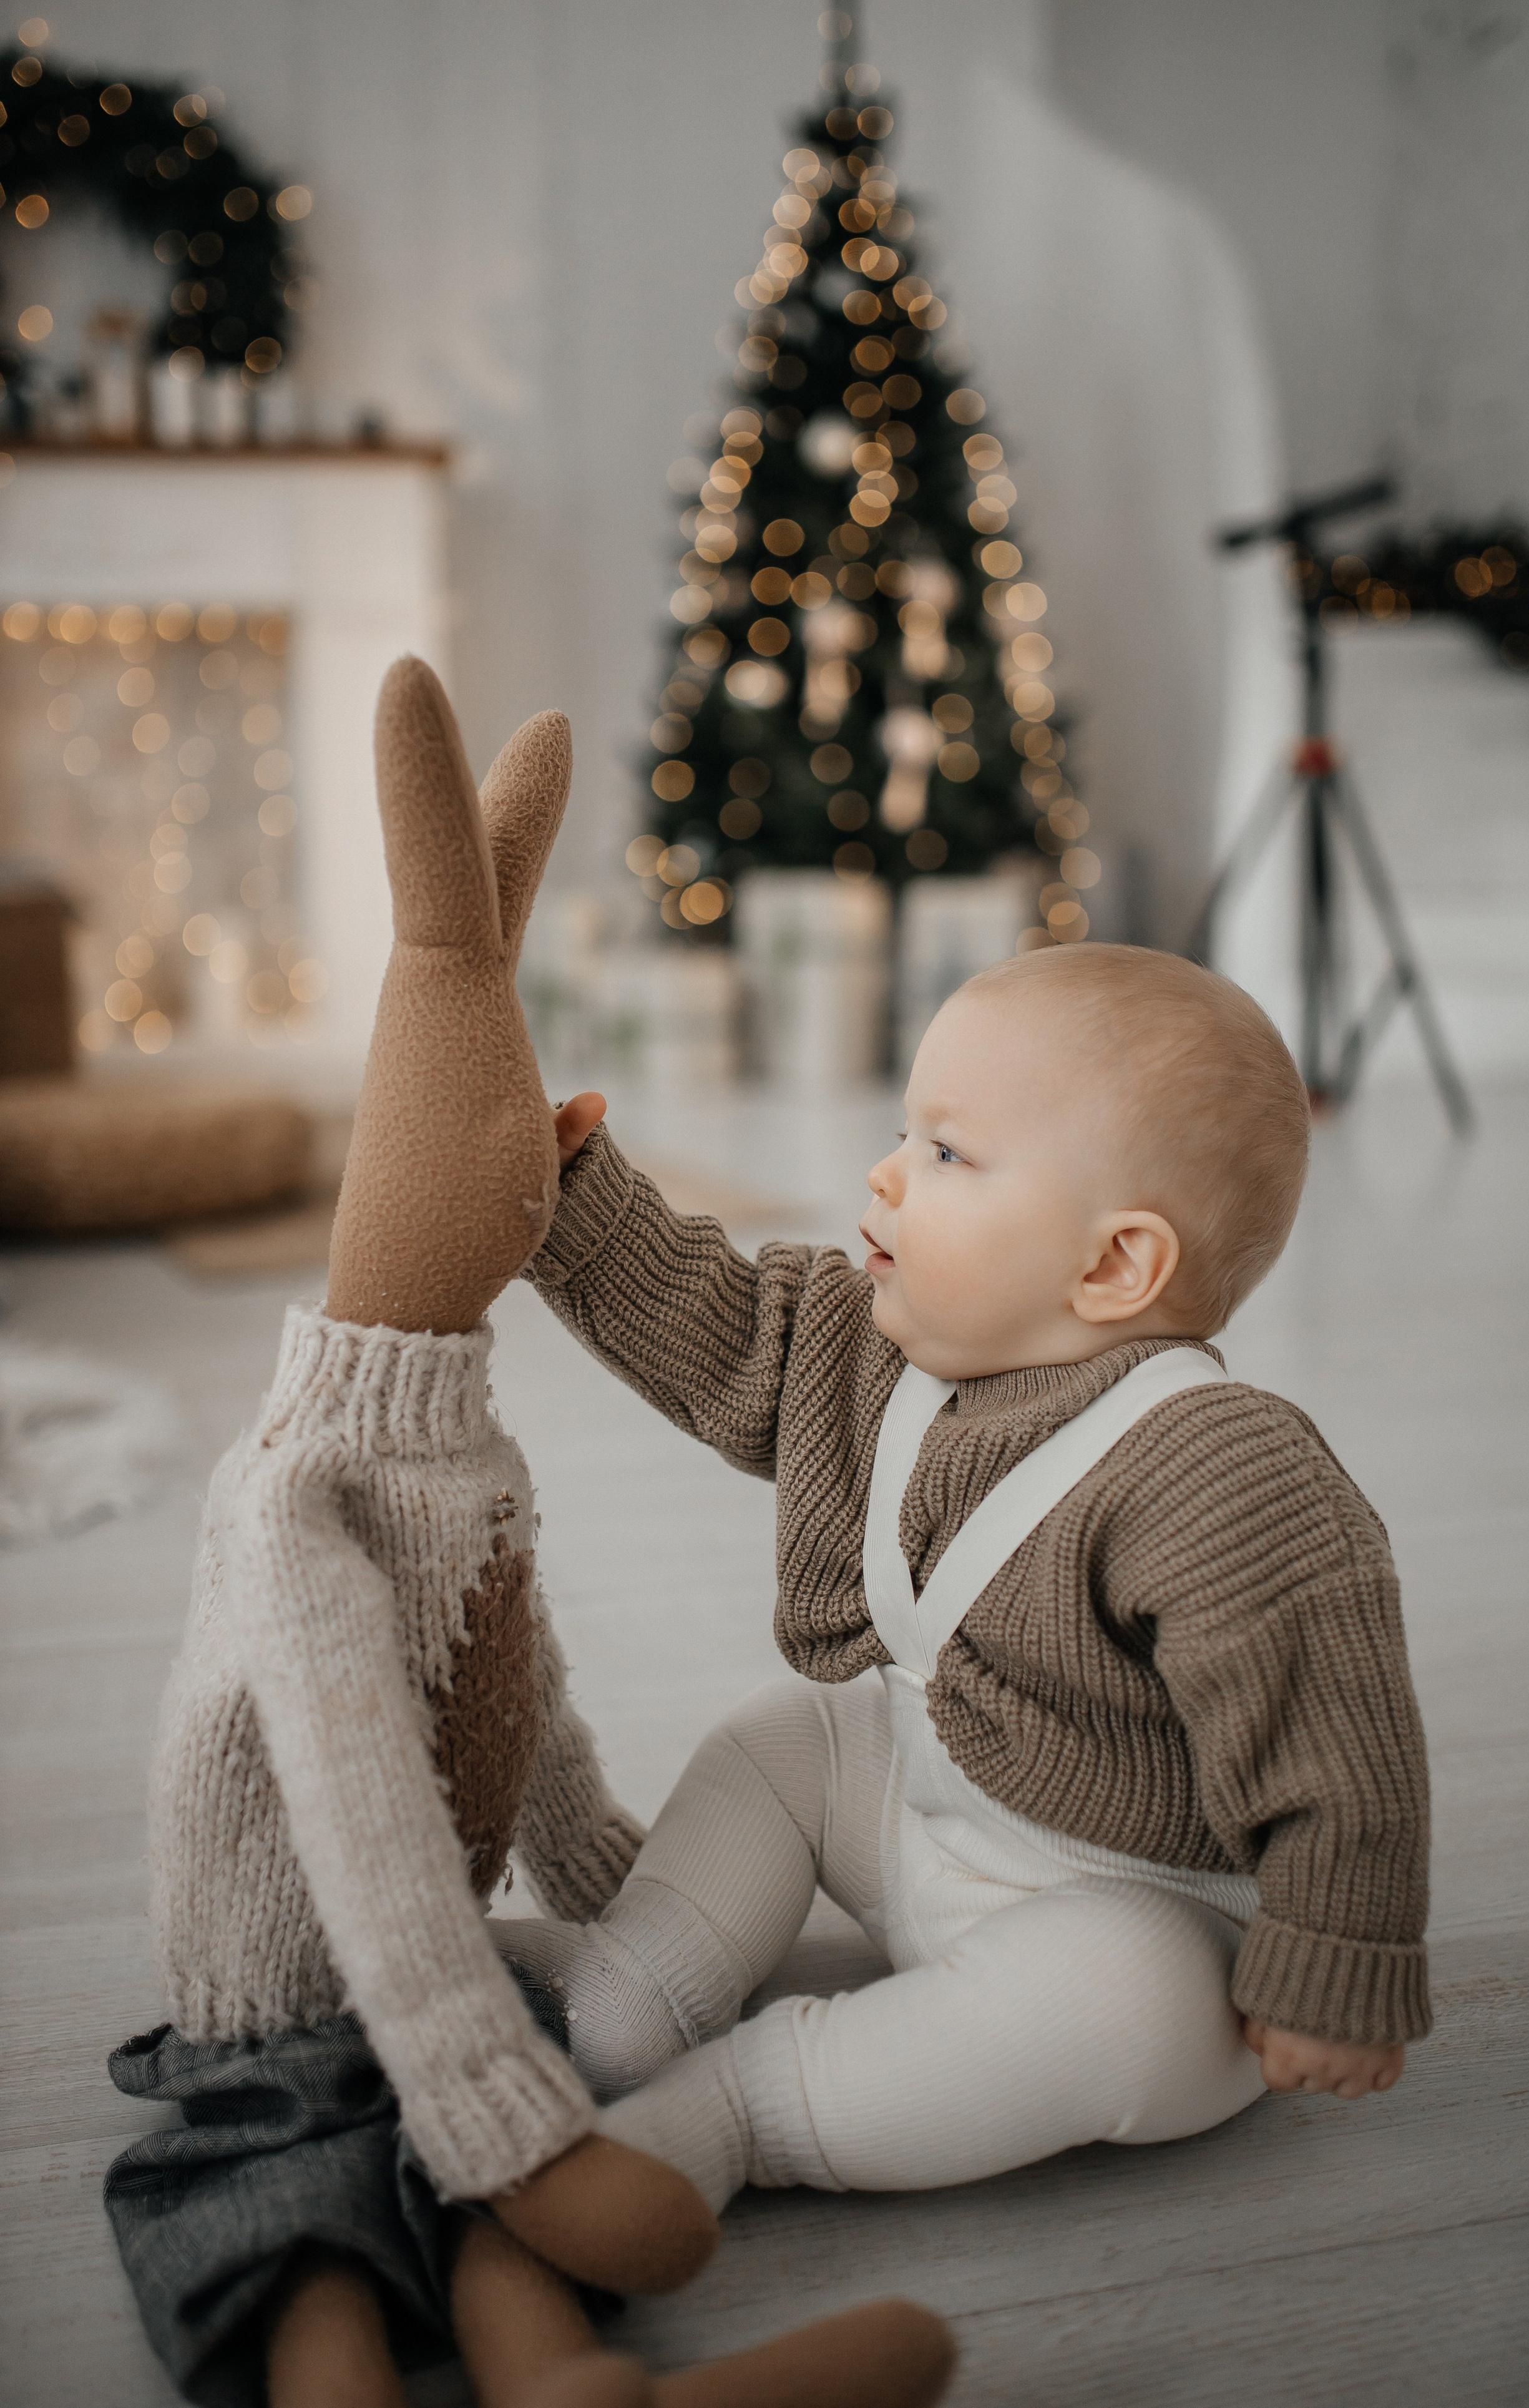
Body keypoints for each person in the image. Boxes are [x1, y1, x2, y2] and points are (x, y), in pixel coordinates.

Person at [102, 662, 954, 2408]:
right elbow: (362, 1824)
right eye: (513, 1156)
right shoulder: (301, 1498)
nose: (544, 1186)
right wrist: (482, 2085)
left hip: (445, 1964)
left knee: (531, 2166)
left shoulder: (459, 1449)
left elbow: (518, 1683)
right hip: (299, 1993)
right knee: (314, 2199)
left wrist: (622, 1883)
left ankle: (573, 2380)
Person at [496, 938, 1431, 2212]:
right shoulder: (874, 1356)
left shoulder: (1222, 1473)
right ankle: (629, 1993)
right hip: (920, 1819)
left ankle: (733, 2115)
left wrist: (1333, 1960)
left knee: (1129, 2015)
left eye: (944, 1154)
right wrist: (570, 1198)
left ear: (1110, 1266)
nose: (882, 1172)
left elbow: (1335, 1742)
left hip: (1127, 1897)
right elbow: (715, 1326)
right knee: (788, 1740)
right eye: (904, 1134)